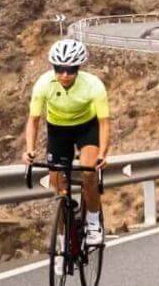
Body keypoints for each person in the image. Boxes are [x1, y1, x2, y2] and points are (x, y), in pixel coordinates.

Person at [24, 38, 110, 250]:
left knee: (89, 172)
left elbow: (104, 123)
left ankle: (93, 223)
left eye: (70, 70)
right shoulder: (44, 84)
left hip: (86, 128)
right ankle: (63, 241)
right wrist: (29, 150)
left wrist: (103, 153)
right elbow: (33, 121)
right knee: (58, 188)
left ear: (78, 68)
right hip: (58, 131)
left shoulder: (93, 85)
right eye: (59, 69)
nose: (64, 75)